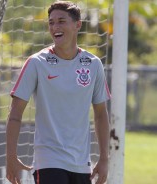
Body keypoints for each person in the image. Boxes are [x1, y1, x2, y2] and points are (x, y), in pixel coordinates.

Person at [6, 1, 111, 184]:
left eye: (61, 21)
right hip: (48, 162)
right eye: (51, 22)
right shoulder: (36, 63)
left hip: (81, 164)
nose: (55, 27)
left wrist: (103, 159)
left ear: (77, 24)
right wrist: (11, 157)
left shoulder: (93, 64)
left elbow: (101, 114)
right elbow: (15, 114)